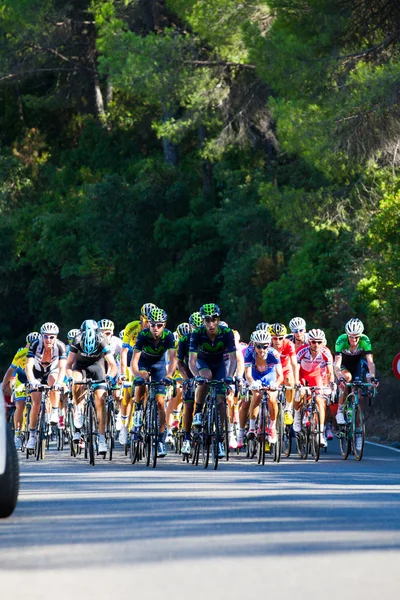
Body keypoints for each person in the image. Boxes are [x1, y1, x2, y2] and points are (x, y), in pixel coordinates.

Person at [189, 303, 237, 459]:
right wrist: (197, 376)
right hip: (203, 363)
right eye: (207, 320)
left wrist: (229, 377)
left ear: (218, 319)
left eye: (214, 319)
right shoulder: (197, 333)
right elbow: (191, 360)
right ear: (203, 321)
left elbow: (233, 359)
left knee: (221, 400)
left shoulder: (227, 333)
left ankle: (220, 438)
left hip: (220, 366)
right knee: (206, 377)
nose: (211, 324)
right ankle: (198, 411)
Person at [66, 319, 118, 454]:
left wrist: (110, 377)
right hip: (80, 366)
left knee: (101, 400)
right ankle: (78, 410)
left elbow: (112, 365)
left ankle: (101, 439)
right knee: (77, 381)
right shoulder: (77, 340)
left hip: (96, 366)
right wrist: (70, 377)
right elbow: (68, 364)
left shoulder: (102, 340)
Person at [131, 307, 177, 457]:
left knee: (160, 403)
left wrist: (169, 375)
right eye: (152, 325)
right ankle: (138, 409)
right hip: (144, 364)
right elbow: (134, 360)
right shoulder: (143, 335)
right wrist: (137, 375)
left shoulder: (169, 336)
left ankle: (160, 440)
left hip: (159, 367)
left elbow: (173, 359)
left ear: (164, 325)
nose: (155, 328)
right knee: (142, 380)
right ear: (148, 324)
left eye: (159, 325)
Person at [118, 303, 157, 445]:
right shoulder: (132, 327)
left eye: (152, 321)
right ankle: (123, 427)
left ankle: (147, 416)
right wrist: (122, 374)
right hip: (132, 359)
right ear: (141, 318)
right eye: (147, 321)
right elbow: (123, 353)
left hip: (148, 361)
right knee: (128, 395)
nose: (149, 324)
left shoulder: (157, 329)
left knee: (149, 390)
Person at [25, 323, 67, 451]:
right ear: (41, 336)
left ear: (56, 337)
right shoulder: (35, 345)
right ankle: (32, 435)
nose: (48, 340)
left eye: (51, 337)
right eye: (46, 337)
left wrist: (59, 382)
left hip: (51, 371)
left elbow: (62, 367)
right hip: (37, 373)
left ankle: (54, 411)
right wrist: (32, 380)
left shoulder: (60, 346)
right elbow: (28, 366)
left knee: (53, 382)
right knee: (36, 403)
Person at [334, 318, 378, 428]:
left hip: (356, 366)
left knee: (357, 392)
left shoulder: (365, 340)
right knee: (347, 377)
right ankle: (340, 410)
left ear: (361, 335)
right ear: (347, 334)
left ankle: (357, 430)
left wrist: (372, 377)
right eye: (351, 336)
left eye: (356, 337)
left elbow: (371, 363)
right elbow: (337, 365)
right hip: (344, 365)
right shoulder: (341, 340)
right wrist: (340, 377)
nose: (354, 339)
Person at [295, 328, 335, 448]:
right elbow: (295, 369)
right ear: (309, 342)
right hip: (302, 374)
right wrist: (297, 382)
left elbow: (330, 372)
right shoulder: (301, 351)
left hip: (315, 375)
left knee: (319, 400)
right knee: (301, 393)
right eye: (313, 342)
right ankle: (297, 417)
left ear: (322, 342)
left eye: (319, 342)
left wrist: (331, 384)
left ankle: (320, 433)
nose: (316, 345)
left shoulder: (326, 352)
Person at [244, 329, 283, 445]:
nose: (262, 350)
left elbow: (280, 375)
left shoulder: (274, 354)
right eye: (259, 346)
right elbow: (248, 374)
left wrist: (276, 384)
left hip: (269, 375)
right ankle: (251, 428)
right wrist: (252, 383)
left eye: (265, 347)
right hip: (255, 376)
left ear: (269, 345)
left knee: (272, 398)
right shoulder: (249, 353)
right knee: (256, 396)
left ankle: (272, 427)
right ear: (254, 345)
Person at [2, 332, 40, 449]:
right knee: (19, 404)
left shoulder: (43, 352)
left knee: (39, 402)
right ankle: (17, 434)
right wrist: (4, 386)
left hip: (36, 379)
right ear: (27, 345)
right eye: (30, 344)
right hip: (22, 380)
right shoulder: (21, 353)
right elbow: (11, 371)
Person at [269, 323, 299, 424]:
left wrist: (297, 380)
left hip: (285, 368)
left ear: (284, 337)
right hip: (272, 369)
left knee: (290, 381)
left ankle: (288, 409)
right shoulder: (267, 345)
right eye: (275, 338)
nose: (277, 341)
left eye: (280, 338)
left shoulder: (289, 344)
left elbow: (294, 364)